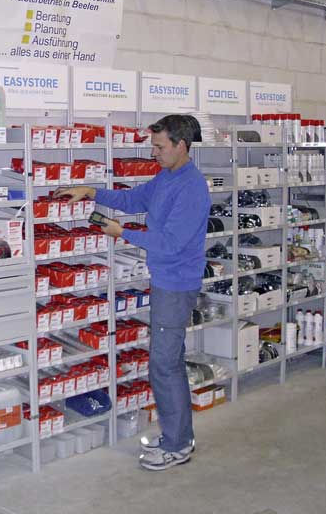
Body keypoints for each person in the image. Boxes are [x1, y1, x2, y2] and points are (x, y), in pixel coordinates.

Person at [54, 114, 210, 470]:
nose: (153, 153)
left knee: (164, 365)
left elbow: (170, 242)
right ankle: (178, 437)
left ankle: (177, 445)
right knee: (167, 362)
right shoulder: (167, 176)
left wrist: (121, 233)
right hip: (165, 280)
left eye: (159, 146)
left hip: (176, 284)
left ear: (181, 145)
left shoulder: (192, 187)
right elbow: (134, 199)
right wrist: (92, 191)